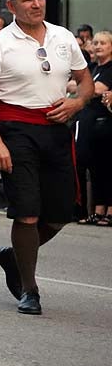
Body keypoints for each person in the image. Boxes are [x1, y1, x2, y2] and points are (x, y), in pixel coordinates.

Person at [0, 0, 92, 315]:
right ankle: (29, 289)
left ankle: (14, 256)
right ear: (12, 6)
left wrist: (76, 103)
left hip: (56, 130)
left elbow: (85, 82)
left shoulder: (63, 37)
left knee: (61, 213)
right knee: (27, 212)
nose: (36, 4)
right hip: (16, 131)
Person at [76, 31, 112, 225]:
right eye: (96, 43)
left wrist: (83, 88)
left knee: (108, 166)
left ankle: (110, 210)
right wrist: (84, 88)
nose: (98, 46)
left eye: (103, 43)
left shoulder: (110, 68)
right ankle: (98, 210)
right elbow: (79, 85)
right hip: (90, 124)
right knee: (95, 166)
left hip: (106, 121)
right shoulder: (92, 67)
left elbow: (95, 89)